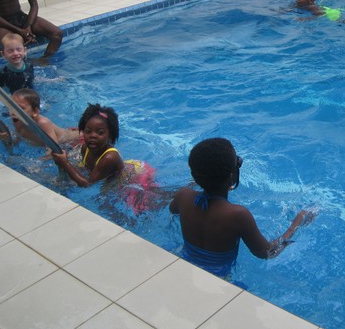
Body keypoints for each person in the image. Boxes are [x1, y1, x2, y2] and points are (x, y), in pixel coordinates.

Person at [170, 137, 315, 277]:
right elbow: (267, 253)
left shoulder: (183, 196)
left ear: (195, 176)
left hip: (183, 263)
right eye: (238, 162)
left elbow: (173, 211)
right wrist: (296, 224)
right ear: (232, 176)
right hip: (219, 278)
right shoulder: (238, 215)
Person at [51, 103, 159, 213]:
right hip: (113, 173)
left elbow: (88, 184)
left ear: (110, 136)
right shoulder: (85, 148)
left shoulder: (109, 157)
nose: (93, 135)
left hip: (135, 175)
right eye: (88, 131)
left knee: (145, 206)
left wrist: (65, 163)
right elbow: (87, 170)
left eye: (100, 132)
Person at [0, 88, 79, 149]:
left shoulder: (43, 123)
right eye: (11, 106)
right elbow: (13, 145)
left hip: (74, 140)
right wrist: (5, 139)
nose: (13, 112)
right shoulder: (18, 123)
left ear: (35, 112)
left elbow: (54, 148)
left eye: (20, 108)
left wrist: (37, 162)